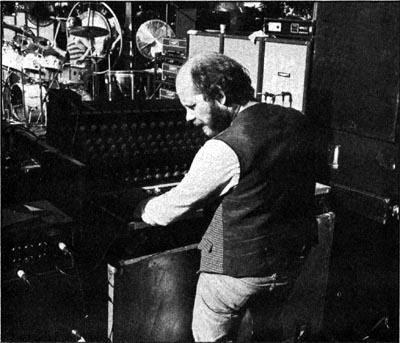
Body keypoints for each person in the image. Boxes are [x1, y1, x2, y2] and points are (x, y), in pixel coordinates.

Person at [134, 52, 317, 342]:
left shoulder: (224, 148)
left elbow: (171, 210)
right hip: (289, 263)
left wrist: (142, 207)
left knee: (209, 335)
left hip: (236, 273)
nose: (188, 117)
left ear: (218, 95)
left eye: (193, 105)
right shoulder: (299, 122)